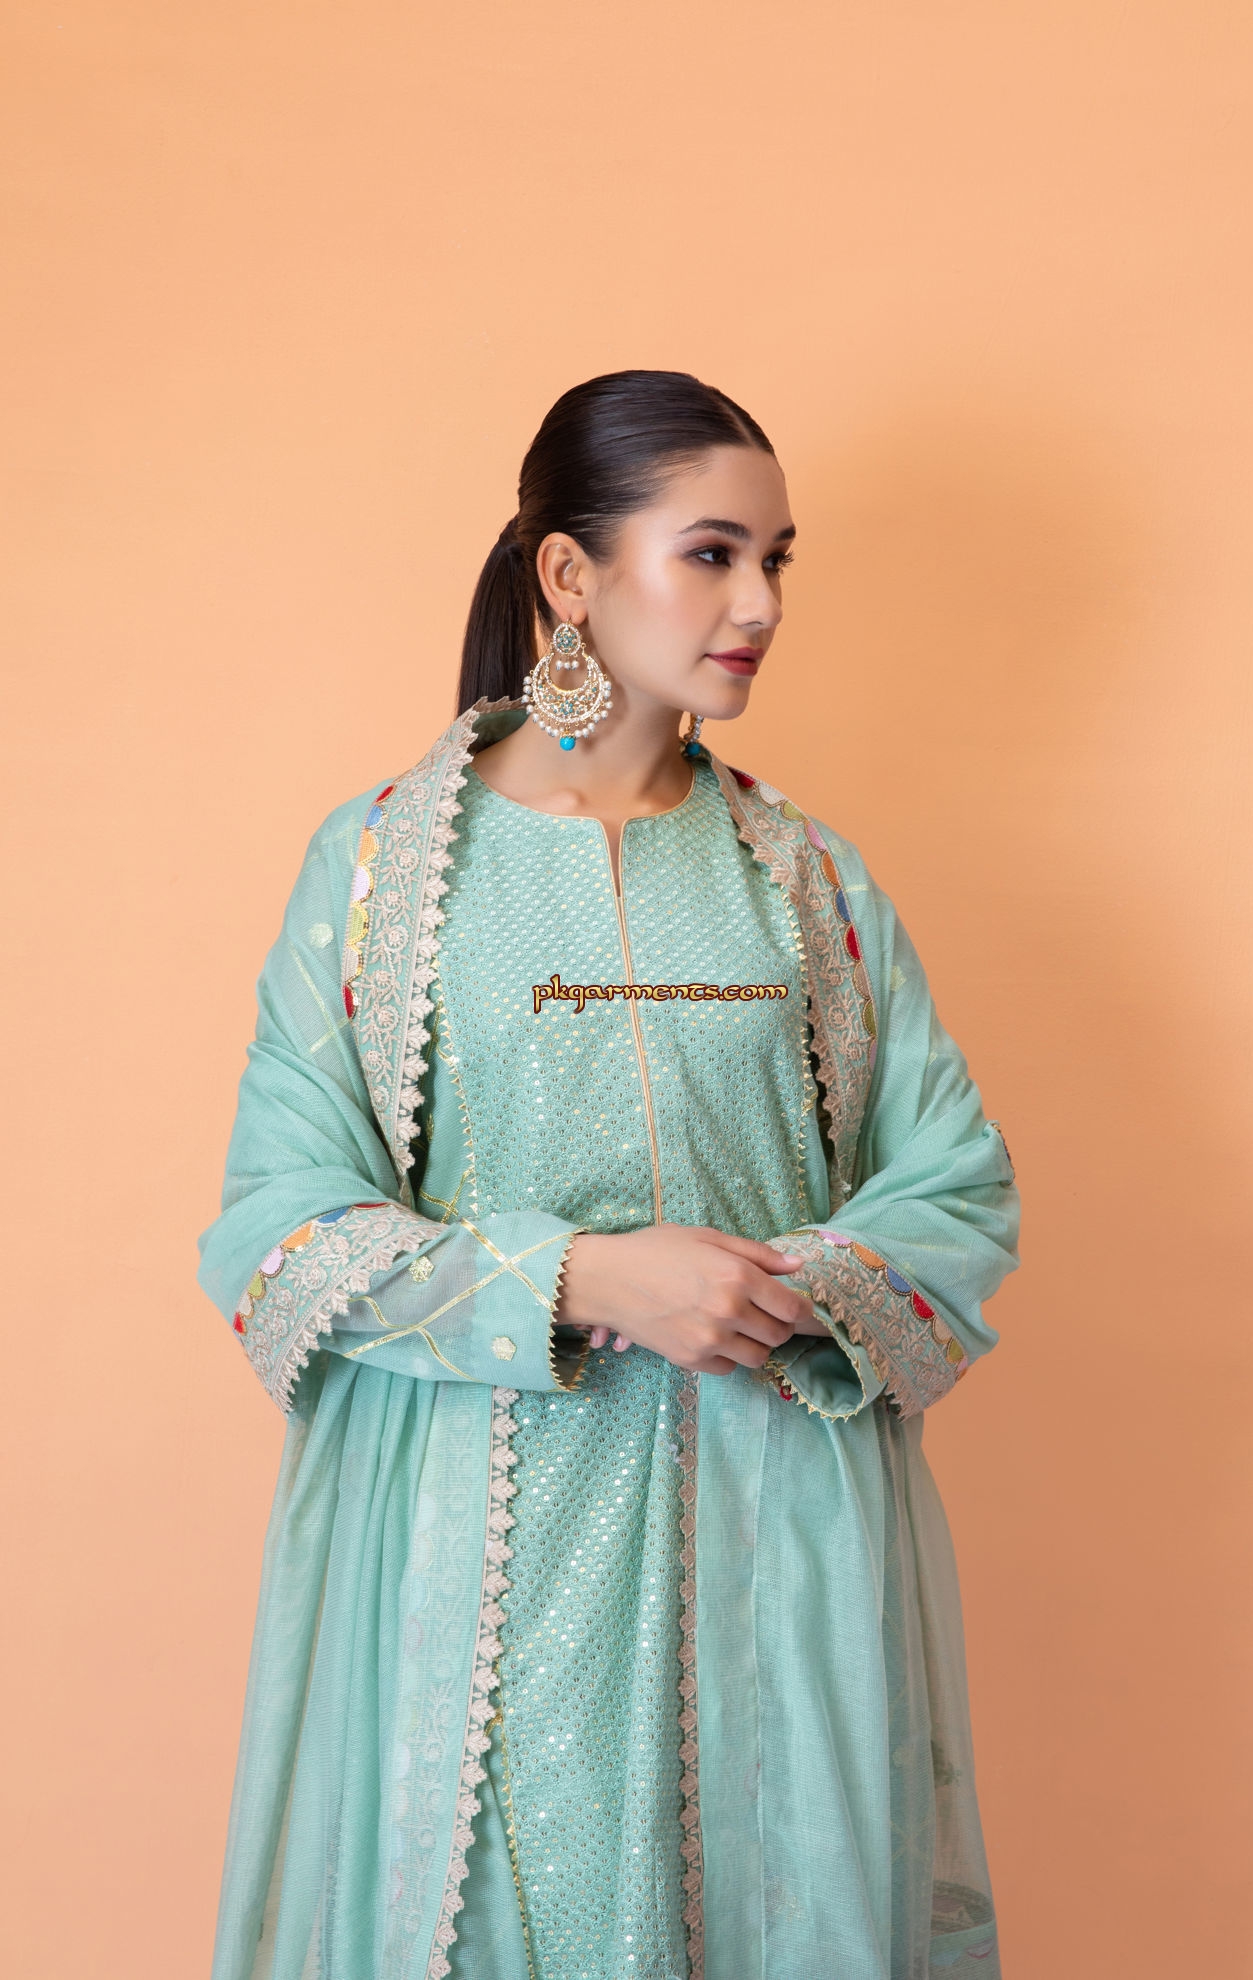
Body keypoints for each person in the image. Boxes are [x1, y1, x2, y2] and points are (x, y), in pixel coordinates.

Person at [200, 368, 1020, 1980]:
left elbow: (957, 1183)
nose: (759, 602)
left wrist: (787, 1288)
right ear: (570, 576)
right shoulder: (383, 874)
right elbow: (277, 1231)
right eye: (711, 554)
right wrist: (580, 1278)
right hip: (482, 1549)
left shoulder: (808, 880)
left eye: (777, 559)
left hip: (778, 1534)